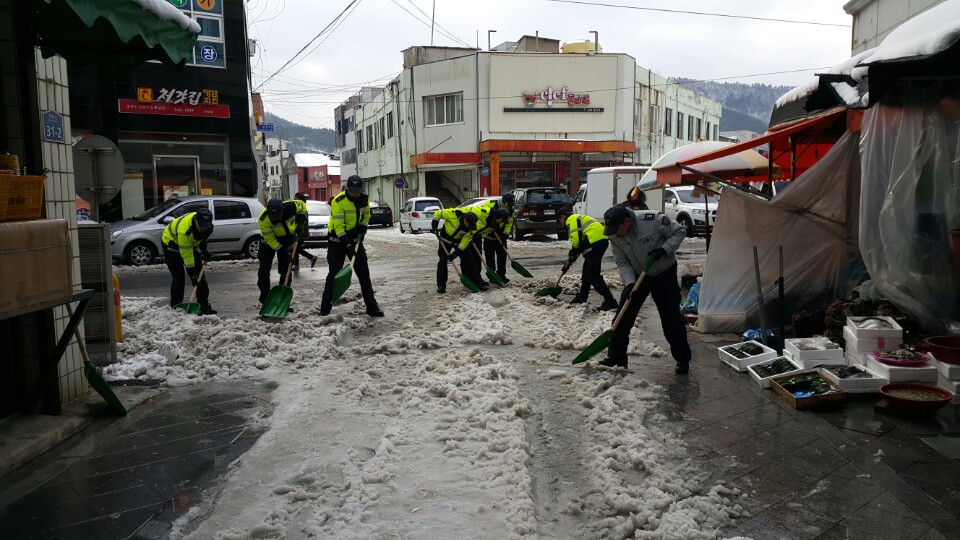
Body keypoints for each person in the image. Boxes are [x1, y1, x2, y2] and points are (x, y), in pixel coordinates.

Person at [601, 205, 691, 374]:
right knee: (622, 316)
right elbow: (622, 262)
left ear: (627, 221)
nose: (615, 233)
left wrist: (664, 249)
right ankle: (616, 358)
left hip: (663, 272)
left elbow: (679, 231)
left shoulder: (653, 220)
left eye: (617, 229)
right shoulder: (614, 235)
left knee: (671, 317)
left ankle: (682, 358)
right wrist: (629, 284)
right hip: (637, 275)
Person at [320, 175, 383, 317]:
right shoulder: (338, 201)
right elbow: (339, 227)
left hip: (355, 239)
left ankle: (372, 307)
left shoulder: (363, 199)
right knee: (334, 274)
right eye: (353, 190)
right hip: (337, 240)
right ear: (347, 188)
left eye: (358, 190)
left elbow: (366, 216)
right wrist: (347, 245)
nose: (356, 193)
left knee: (364, 274)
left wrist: (362, 228)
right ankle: (325, 308)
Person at [557, 208, 618, 311]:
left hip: (595, 241)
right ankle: (582, 297)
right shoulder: (578, 218)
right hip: (599, 240)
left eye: (559, 220)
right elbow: (580, 243)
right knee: (587, 271)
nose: (560, 223)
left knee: (592, 274)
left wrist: (573, 253)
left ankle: (610, 301)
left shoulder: (571, 220)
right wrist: (572, 257)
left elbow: (576, 241)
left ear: (562, 217)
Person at [161, 208, 217, 314]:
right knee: (179, 277)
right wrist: (192, 275)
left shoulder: (208, 227)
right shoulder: (185, 231)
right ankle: (176, 307)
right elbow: (187, 255)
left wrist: (204, 250)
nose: (203, 228)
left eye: (206, 225)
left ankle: (203, 305)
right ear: (195, 220)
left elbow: (202, 239)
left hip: (189, 247)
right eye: (201, 225)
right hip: (171, 246)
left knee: (201, 278)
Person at [257, 197, 305, 308]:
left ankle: (282, 301)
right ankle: (265, 299)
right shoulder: (263, 219)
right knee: (264, 269)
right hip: (268, 243)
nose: (275, 219)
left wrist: (301, 222)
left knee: (286, 269)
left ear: (283, 209)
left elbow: (302, 205)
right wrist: (282, 251)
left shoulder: (291, 206)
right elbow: (270, 240)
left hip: (288, 239)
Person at [431, 208, 481, 292]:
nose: (470, 228)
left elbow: (464, 243)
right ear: (465, 220)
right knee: (443, 260)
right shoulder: (451, 214)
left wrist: (455, 254)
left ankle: (475, 282)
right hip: (445, 240)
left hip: (458, 241)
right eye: (469, 225)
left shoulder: (471, 228)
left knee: (469, 259)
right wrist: (434, 226)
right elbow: (438, 213)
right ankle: (441, 285)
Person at [482, 193, 515, 282]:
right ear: (504, 202)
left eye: (512, 203)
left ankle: (501, 274)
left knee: (502, 256)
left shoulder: (511, 211)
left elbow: (510, 223)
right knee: (490, 257)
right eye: (509, 203)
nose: (511, 206)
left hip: (501, 236)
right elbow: (485, 217)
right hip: (489, 236)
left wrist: (505, 234)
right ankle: (492, 276)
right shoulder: (491, 205)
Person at [291, 192, 319, 271]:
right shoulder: (299, 208)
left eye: (295, 199)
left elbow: (301, 221)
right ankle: (298, 263)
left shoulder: (301, 209)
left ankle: (299, 263)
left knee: (295, 248)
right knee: (296, 248)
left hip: (301, 232)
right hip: (300, 231)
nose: (294, 201)